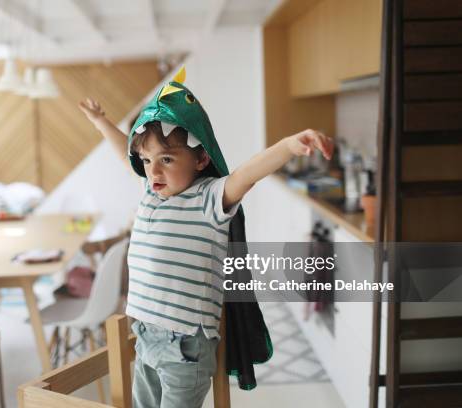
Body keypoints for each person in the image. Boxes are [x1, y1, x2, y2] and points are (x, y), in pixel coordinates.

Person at [79, 67, 334, 408]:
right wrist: (100, 122)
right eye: (147, 160)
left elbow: (247, 173)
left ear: (200, 158)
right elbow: (122, 150)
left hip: (186, 346)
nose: (153, 171)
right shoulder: (152, 192)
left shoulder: (210, 198)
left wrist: (289, 146)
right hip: (145, 335)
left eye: (167, 159)